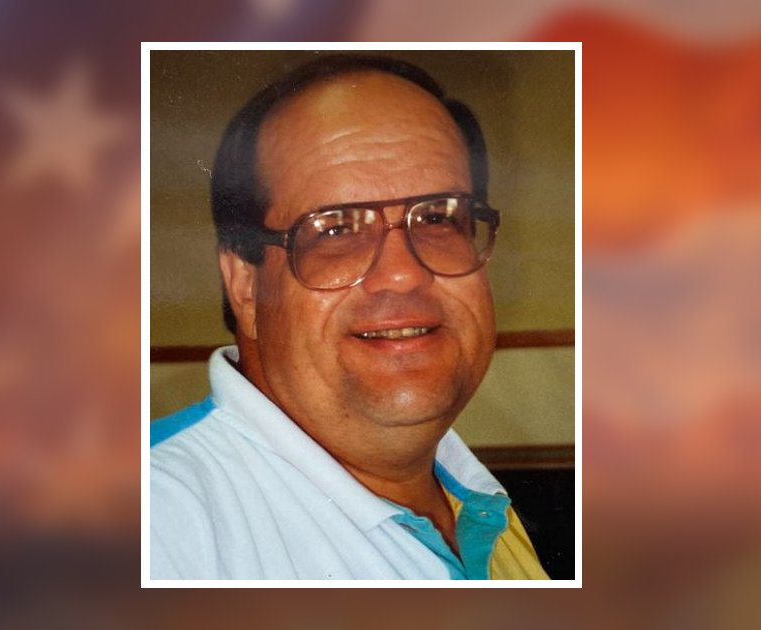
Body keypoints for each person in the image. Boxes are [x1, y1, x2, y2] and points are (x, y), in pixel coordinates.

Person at [150, 54, 549, 580]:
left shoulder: (478, 505)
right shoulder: (156, 525)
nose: (403, 274)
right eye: (335, 228)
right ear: (245, 284)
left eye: (437, 217)